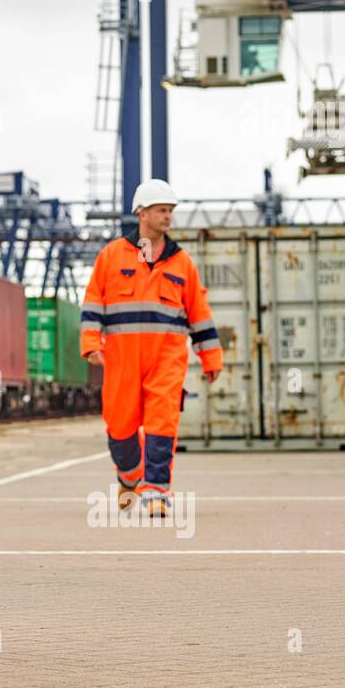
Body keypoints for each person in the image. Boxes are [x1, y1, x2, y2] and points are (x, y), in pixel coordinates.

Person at [80, 180, 222, 517]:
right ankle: (130, 478)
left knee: (162, 423)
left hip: (166, 358)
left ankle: (157, 490)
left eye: (171, 211)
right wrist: (90, 344)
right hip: (121, 358)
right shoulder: (111, 257)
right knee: (119, 427)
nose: (168, 217)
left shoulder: (181, 263)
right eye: (162, 210)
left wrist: (210, 356)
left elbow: (199, 312)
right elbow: (92, 303)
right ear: (141, 213)